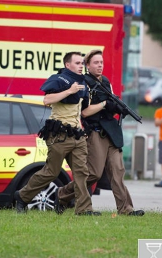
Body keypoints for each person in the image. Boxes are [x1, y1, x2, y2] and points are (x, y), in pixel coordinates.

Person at [56, 50, 144, 216]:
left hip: (111, 132)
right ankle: (62, 194)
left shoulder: (106, 82)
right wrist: (105, 104)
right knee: (93, 174)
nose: (100, 65)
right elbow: (85, 112)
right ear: (88, 66)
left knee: (117, 172)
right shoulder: (84, 83)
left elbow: (110, 104)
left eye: (101, 62)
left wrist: (116, 108)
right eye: (96, 62)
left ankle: (126, 209)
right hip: (95, 132)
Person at [14, 52, 100, 216]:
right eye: (77, 63)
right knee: (51, 172)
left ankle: (84, 209)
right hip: (59, 135)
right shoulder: (58, 79)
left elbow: (85, 111)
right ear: (68, 65)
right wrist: (69, 91)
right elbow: (47, 100)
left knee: (82, 173)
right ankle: (23, 196)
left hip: (77, 135)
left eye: (82, 63)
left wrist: (104, 104)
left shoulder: (84, 84)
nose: (81, 65)